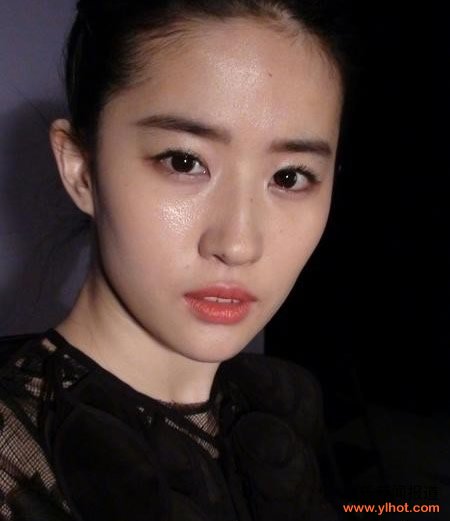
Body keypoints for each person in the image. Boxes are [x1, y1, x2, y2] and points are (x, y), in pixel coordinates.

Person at [0, 1, 357, 519]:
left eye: (289, 177)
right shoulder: (14, 462)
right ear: (81, 170)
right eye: (184, 162)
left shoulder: (278, 409)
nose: (238, 244)